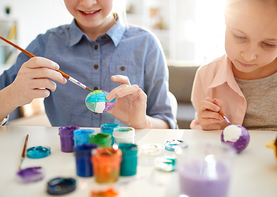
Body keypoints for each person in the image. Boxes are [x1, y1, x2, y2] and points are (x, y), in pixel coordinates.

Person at [0, 0, 176, 129]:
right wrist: (12, 94)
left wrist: (142, 122)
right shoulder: (45, 44)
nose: (88, 3)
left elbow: (167, 123)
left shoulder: (146, 44)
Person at [190, 0, 277, 131]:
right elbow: (198, 131)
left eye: (269, 44)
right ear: (225, 17)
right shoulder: (206, 75)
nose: (248, 56)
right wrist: (207, 126)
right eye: (239, 36)